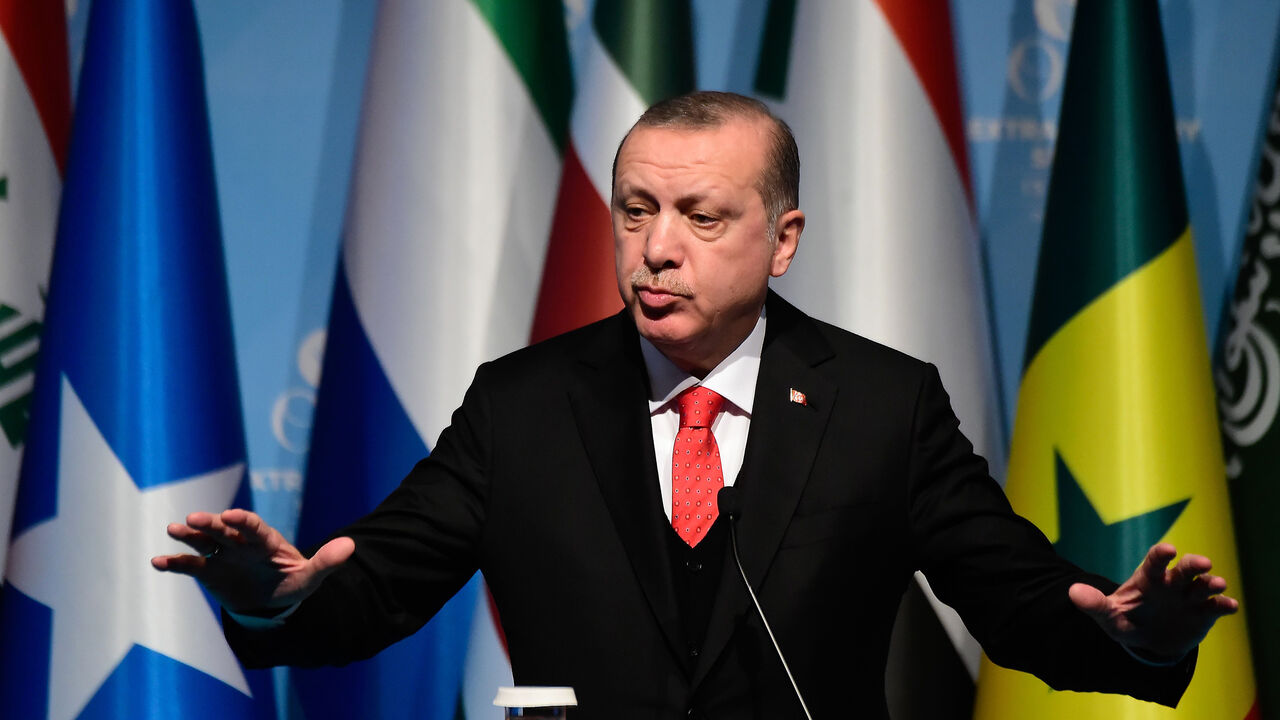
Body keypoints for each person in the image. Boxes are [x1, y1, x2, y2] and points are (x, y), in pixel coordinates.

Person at [153, 91, 1236, 719]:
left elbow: (1014, 593)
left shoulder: (878, 405)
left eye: (701, 216)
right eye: (635, 211)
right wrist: (271, 597)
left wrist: (1129, 634)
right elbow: (372, 592)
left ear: (784, 238)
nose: (655, 248)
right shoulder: (524, 405)